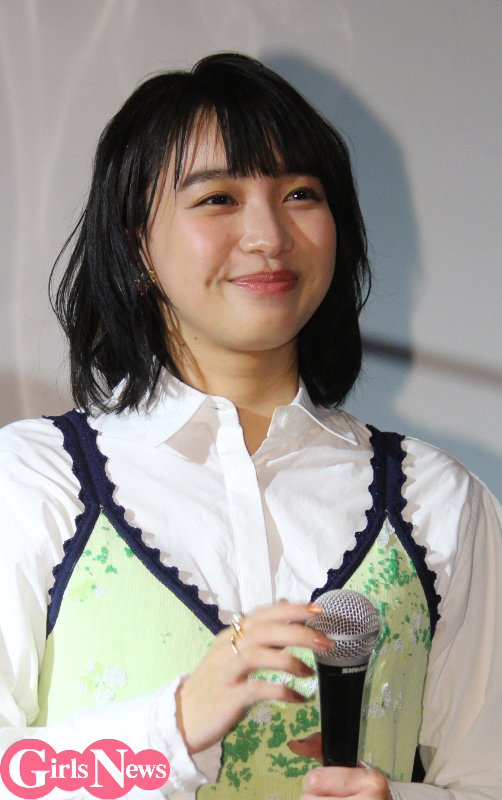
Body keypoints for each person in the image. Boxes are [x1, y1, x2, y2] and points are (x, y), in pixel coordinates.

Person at [0, 52, 501, 800]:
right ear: (136, 242)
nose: (268, 235)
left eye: (300, 193)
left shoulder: (437, 501)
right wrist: (172, 728)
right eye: (217, 199)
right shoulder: (33, 478)